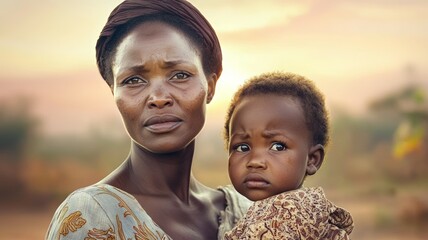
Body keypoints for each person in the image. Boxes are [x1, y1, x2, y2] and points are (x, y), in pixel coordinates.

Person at [45, 1, 250, 239]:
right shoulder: (91, 214)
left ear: (211, 86)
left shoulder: (245, 211)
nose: (159, 98)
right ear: (114, 92)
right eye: (133, 80)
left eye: (180, 75)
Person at [223, 72, 354, 239]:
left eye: (278, 146)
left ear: (312, 159)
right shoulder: (309, 210)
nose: (255, 161)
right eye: (242, 147)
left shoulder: (281, 217)